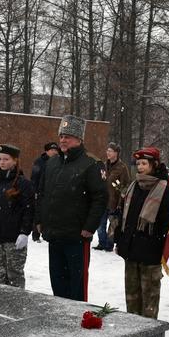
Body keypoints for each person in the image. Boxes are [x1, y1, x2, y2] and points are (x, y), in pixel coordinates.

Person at [35, 114, 107, 301]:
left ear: (79, 139)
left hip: (77, 236)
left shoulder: (91, 164)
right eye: (61, 136)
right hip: (54, 234)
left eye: (68, 136)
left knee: (76, 286)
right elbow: (43, 193)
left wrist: (89, 227)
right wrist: (41, 220)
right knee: (57, 284)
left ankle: (77, 321)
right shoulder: (52, 163)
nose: (63, 140)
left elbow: (100, 198)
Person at [114, 147, 169, 318]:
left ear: (154, 165)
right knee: (132, 299)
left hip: (150, 255)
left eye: (144, 163)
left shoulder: (164, 191)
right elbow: (123, 216)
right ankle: (133, 333)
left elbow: (166, 225)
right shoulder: (134, 186)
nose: (140, 167)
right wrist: (120, 241)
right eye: (138, 163)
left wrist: (154, 246)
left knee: (149, 300)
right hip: (131, 252)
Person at [0, 144, 35, 288]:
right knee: (2, 273)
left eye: (6, 159)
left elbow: (28, 211)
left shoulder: (23, 184)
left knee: (14, 275)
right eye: (0, 159)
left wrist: (24, 232)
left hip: (13, 240)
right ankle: (4, 304)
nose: (2, 162)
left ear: (15, 161)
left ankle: (16, 306)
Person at [95, 142, 130, 251]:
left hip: (115, 201)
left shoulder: (122, 167)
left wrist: (121, 198)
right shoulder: (103, 166)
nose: (108, 153)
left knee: (113, 225)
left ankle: (109, 245)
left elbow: (126, 184)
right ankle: (102, 243)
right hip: (102, 200)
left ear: (116, 153)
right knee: (100, 224)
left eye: (110, 151)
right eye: (107, 150)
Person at [31, 142, 60, 242]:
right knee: (37, 212)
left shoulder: (58, 161)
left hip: (51, 192)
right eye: (52, 150)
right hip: (40, 191)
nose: (54, 152)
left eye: (56, 150)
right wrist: (34, 191)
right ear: (46, 151)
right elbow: (34, 177)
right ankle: (36, 234)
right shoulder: (39, 162)